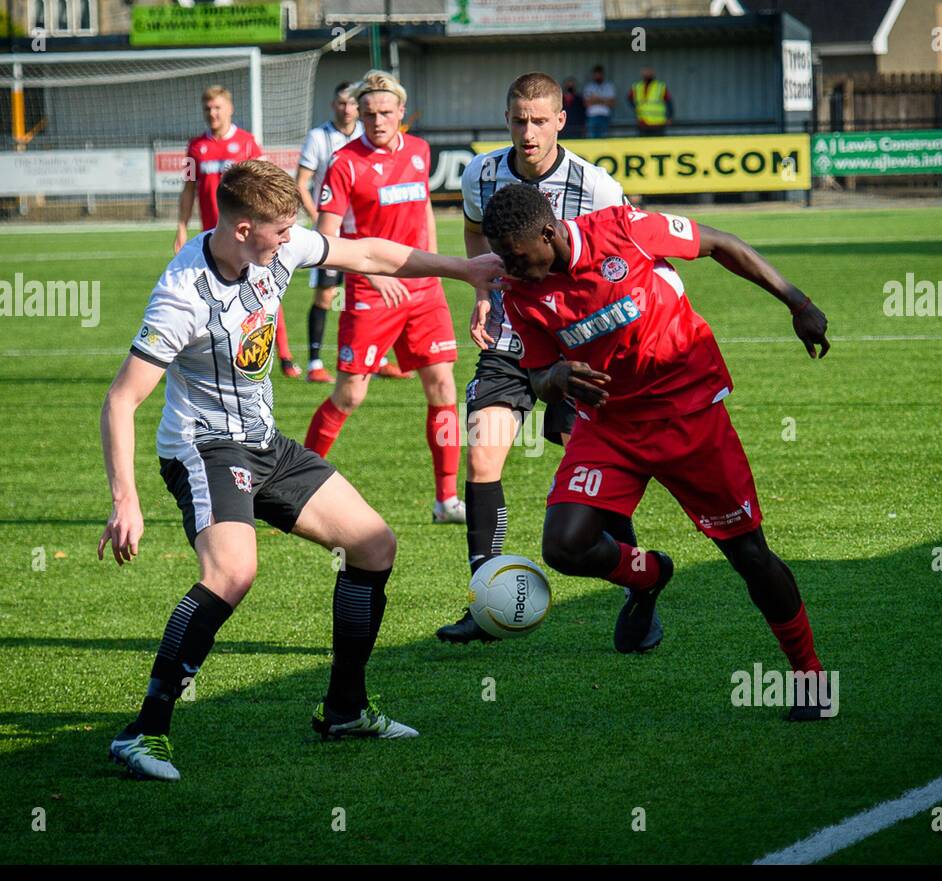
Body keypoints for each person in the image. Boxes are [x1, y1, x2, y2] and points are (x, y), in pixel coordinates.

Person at [99, 160, 502, 780]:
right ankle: (143, 733)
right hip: (204, 450)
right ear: (241, 229)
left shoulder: (273, 252)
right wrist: (124, 499)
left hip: (264, 443)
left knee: (373, 545)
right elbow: (122, 399)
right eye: (280, 231)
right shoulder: (181, 297)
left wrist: (462, 268)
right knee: (234, 571)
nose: (292, 240)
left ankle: (345, 709)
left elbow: (366, 251)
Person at [479, 185, 834, 720]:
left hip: (688, 418)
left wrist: (797, 301)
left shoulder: (625, 229)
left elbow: (721, 243)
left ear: (548, 233)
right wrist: (555, 378)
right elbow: (537, 375)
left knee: (750, 557)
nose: (506, 266)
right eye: (502, 256)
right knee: (564, 546)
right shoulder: (522, 292)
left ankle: (810, 676)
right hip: (611, 427)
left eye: (514, 253)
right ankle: (648, 575)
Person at [438, 71, 643, 646]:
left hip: (577, 343)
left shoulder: (597, 186)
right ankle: (485, 598)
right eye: (518, 120)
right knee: (481, 456)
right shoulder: (481, 171)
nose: (528, 132)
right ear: (506, 120)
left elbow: (628, 257)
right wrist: (482, 293)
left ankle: (635, 582)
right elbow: (476, 233)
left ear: (560, 121)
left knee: (592, 464)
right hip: (510, 338)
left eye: (539, 121)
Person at [304, 70, 467, 524]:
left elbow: (425, 213)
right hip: (370, 291)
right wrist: (374, 275)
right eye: (368, 113)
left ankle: (446, 501)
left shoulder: (419, 151)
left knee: (443, 386)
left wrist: (432, 267)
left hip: (423, 291)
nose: (376, 121)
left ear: (401, 113)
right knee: (350, 394)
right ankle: (294, 486)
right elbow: (327, 238)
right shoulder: (344, 163)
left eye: (385, 113)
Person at [176, 84, 300, 378]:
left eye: (218, 107)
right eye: (208, 108)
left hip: (247, 238)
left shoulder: (247, 144)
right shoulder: (196, 147)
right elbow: (189, 189)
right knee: (210, 297)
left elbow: (265, 187)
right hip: (214, 239)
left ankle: (284, 355)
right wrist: (180, 228)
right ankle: (215, 358)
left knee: (264, 291)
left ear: (230, 109)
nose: (212, 113)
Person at [295, 82, 362, 384]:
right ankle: (315, 363)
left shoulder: (366, 134)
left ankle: (373, 357)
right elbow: (301, 183)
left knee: (364, 295)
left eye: (351, 103)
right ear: (332, 105)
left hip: (362, 232)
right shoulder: (318, 137)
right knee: (326, 296)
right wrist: (320, 220)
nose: (346, 108)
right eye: (341, 103)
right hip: (330, 233)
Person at [628, 67, 673, 136]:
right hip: (642, 123)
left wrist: (670, 117)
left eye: (649, 72)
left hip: (658, 123)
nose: (647, 74)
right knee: (642, 145)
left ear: (653, 73)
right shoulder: (637, 86)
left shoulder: (660, 86)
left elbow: (669, 102)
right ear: (642, 73)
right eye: (645, 72)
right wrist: (636, 108)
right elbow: (629, 98)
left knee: (658, 145)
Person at [581, 65, 615, 139]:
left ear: (603, 74)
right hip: (592, 116)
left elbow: (611, 103)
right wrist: (604, 100)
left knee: (604, 139)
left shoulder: (608, 86)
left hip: (605, 116)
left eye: (599, 74)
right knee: (591, 138)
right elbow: (586, 103)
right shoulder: (589, 86)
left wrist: (595, 99)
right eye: (596, 75)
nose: (598, 76)